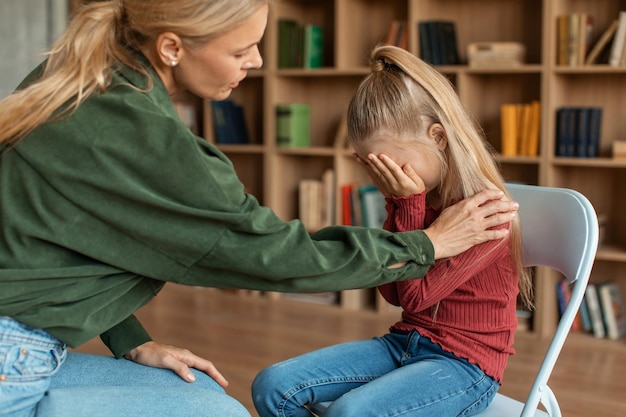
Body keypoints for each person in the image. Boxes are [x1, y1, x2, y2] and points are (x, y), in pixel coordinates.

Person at [0, 1, 518, 416]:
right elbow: (268, 251)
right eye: (243, 48)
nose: (259, 61)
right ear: (173, 46)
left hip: (27, 340)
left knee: (204, 393)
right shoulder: (136, 128)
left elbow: (73, 239)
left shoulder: (81, 78)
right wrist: (424, 240)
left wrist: (132, 340)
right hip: (14, 354)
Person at [251, 44, 534, 417]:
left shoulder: (485, 213)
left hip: (465, 367)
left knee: (349, 413)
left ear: (438, 137)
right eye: (374, 168)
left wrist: (406, 204)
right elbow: (390, 291)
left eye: (394, 165)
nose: (388, 178)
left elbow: (416, 297)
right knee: (272, 387)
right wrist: (404, 206)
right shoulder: (414, 199)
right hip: (404, 343)